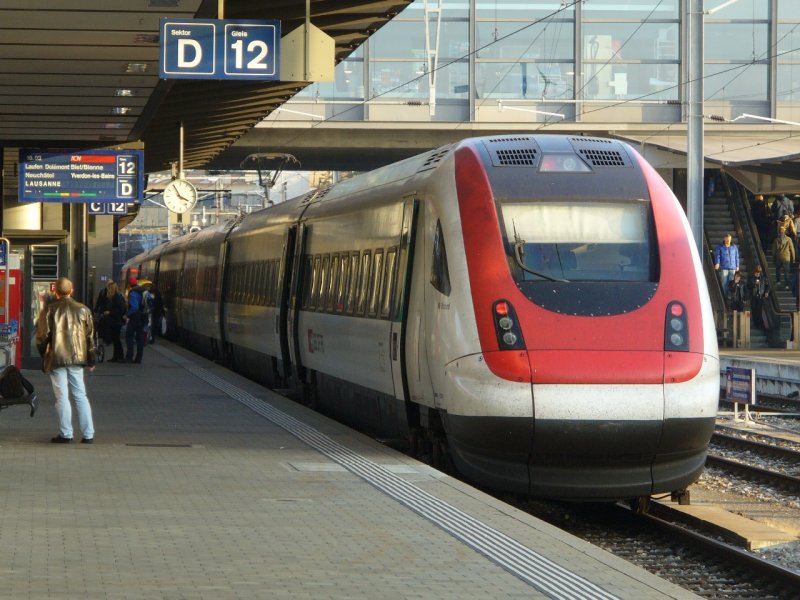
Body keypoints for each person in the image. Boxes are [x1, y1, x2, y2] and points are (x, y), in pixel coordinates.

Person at [35, 277, 96, 444]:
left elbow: (42, 337)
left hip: (56, 358)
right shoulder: (83, 310)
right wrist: (92, 360)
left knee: (61, 396)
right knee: (80, 395)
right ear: (72, 290)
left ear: (55, 291)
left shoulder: (49, 310)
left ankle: (66, 433)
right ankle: (88, 434)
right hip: (77, 357)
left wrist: (44, 354)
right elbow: (90, 337)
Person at [100, 281, 127, 362]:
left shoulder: (116, 297)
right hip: (115, 320)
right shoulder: (115, 297)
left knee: (116, 339)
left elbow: (120, 309)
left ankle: (119, 356)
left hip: (116, 321)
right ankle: (116, 356)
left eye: (109, 288)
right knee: (115, 339)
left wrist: (110, 312)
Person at [125, 276, 149, 364]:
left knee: (129, 336)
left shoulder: (133, 293)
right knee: (140, 338)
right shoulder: (144, 291)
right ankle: (139, 358)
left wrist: (127, 314)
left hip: (135, 318)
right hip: (143, 317)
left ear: (130, 284)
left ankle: (129, 356)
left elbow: (134, 307)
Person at [713, 233, 739, 304]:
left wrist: (737, 265)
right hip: (724, 267)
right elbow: (717, 255)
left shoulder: (734, 247)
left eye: (729, 240)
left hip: (732, 267)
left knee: (731, 283)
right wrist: (717, 263)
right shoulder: (720, 247)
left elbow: (736, 256)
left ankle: (729, 295)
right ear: (724, 239)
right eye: (727, 240)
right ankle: (724, 296)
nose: (728, 241)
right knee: (724, 282)